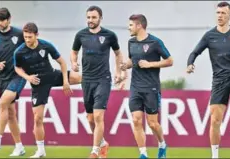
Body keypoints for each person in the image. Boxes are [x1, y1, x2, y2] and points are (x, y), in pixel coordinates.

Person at [186, 2, 230, 159]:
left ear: (229, 16)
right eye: (218, 12)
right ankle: (215, 156)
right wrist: (190, 64)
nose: (220, 15)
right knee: (215, 121)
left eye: (223, 13)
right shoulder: (209, 36)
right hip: (219, 80)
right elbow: (195, 52)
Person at [13, 22, 82, 158]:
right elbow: (17, 68)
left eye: (30, 37)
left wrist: (65, 81)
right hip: (38, 83)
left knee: (82, 78)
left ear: (36, 35)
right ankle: (40, 151)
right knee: (38, 118)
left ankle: (106, 84)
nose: (27, 40)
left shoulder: (46, 45)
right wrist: (28, 77)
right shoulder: (19, 52)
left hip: (52, 75)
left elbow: (62, 62)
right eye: (25, 37)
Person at [70, 5, 126, 158]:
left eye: (94, 17)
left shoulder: (109, 35)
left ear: (100, 18)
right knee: (90, 118)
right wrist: (73, 63)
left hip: (103, 79)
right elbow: (74, 52)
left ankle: (95, 150)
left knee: (98, 116)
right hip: (86, 79)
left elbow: (118, 54)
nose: (90, 20)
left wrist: (118, 72)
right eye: (88, 17)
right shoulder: (80, 35)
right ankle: (102, 143)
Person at [120, 14, 173, 159]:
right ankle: (143, 153)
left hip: (151, 88)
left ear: (139, 25)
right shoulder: (131, 42)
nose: (128, 27)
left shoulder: (155, 42)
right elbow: (132, 61)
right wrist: (125, 66)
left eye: (131, 25)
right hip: (135, 88)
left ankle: (162, 144)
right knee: (136, 120)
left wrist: (151, 64)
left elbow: (169, 61)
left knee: (152, 123)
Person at [0, 7, 26, 156]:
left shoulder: (19, 34)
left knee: (3, 103)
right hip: (3, 77)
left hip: (18, 75)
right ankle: (19, 146)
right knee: (10, 113)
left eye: (2, 20)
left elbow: (31, 48)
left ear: (9, 19)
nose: (0, 23)